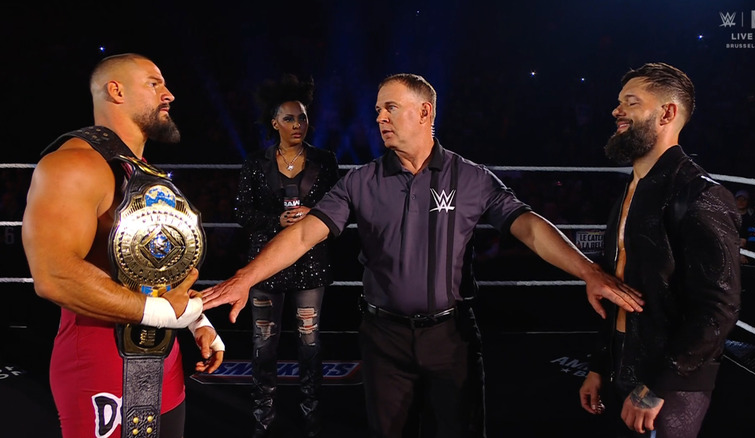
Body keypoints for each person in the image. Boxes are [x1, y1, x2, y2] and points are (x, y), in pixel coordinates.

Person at [203, 73, 643, 438]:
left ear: (425, 112)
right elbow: (302, 238)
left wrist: (589, 272)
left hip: (450, 337)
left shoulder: (470, 177)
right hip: (383, 337)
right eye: (377, 110)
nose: (380, 118)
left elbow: (526, 226)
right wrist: (244, 277)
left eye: (390, 107)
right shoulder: (361, 182)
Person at [22, 53, 224, 438]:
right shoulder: (74, 165)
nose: (169, 95)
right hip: (99, 358)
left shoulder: (140, 170)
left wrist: (196, 318)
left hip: (162, 356)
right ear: (115, 90)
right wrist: (166, 314)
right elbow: (54, 276)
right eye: (154, 83)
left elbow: (145, 269)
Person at [578, 62, 741, 438]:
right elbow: (615, 285)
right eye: (619, 102)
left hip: (673, 379)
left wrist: (658, 386)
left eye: (631, 102)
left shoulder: (701, 195)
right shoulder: (631, 191)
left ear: (667, 112)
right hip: (624, 359)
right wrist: (599, 364)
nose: (616, 111)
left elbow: (719, 308)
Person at [238, 74, 339, 437]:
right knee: (264, 342)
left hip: (310, 263)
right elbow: (243, 214)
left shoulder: (325, 161)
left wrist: (313, 215)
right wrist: (275, 220)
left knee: (309, 341)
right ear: (275, 123)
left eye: (303, 118)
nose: (298, 124)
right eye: (291, 118)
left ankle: (312, 418)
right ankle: (263, 418)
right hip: (266, 264)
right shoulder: (255, 163)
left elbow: (338, 209)